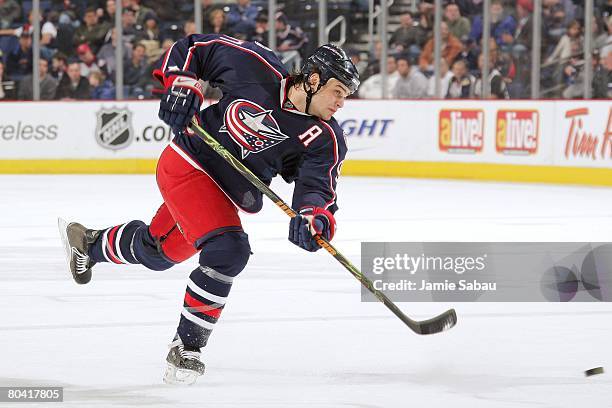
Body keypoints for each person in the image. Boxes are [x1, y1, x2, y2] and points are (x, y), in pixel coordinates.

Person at [58, 34, 359, 385]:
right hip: (188, 162)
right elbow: (195, 49)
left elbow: (316, 187)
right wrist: (183, 84)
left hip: (222, 195)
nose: (341, 102)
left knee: (159, 252)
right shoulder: (258, 67)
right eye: (337, 91)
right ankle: (186, 347)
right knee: (229, 250)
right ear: (312, 80)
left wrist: (313, 218)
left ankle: (89, 244)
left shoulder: (325, 138)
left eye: (346, 96)